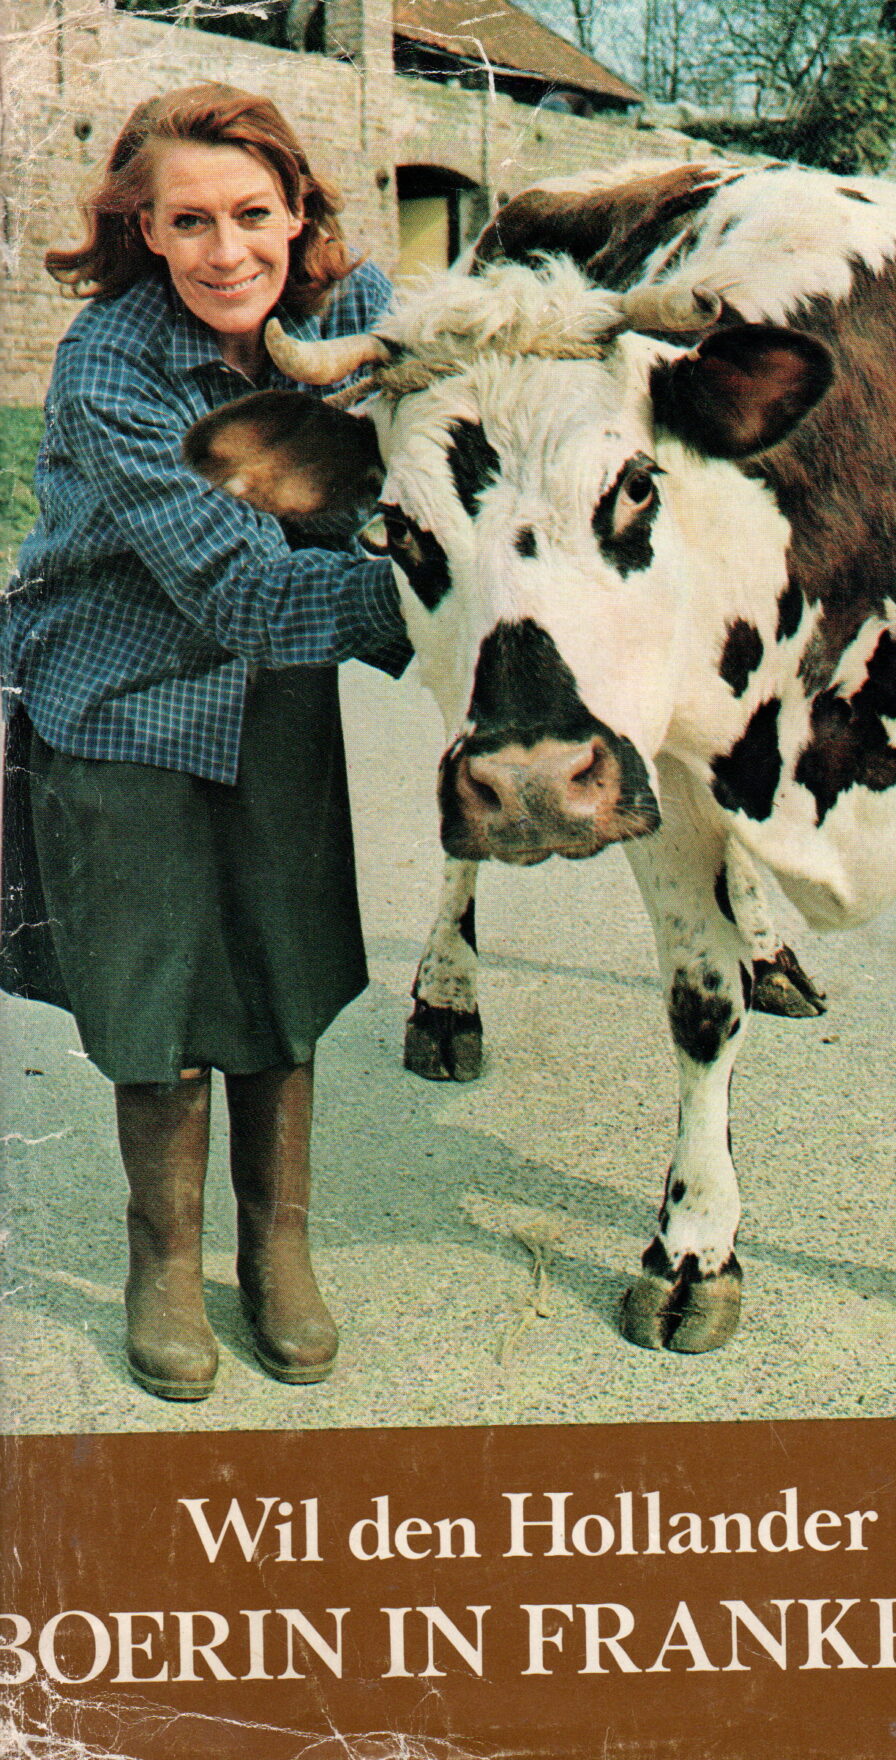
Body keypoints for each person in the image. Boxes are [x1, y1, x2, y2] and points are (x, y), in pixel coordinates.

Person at [0, 82, 411, 1402]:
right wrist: (452, 604)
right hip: (118, 695)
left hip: (272, 691)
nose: (227, 250)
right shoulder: (112, 364)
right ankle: (164, 1259)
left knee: (278, 968)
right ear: (147, 230)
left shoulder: (354, 321)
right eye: (191, 221)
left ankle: (277, 1246)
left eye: (252, 213)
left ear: (300, 212)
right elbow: (246, 589)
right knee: (159, 990)